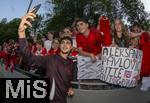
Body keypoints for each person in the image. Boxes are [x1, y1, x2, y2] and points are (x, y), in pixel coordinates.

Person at [18, 10, 74, 103]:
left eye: (68, 43)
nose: (65, 44)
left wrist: (69, 88)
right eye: (62, 42)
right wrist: (21, 33)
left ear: (71, 47)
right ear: (59, 46)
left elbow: (68, 79)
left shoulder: (71, 63)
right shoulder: (50, 59)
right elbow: (29, 58)